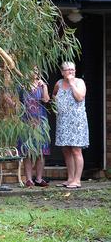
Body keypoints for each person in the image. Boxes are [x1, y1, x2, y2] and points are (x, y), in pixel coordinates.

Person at [53, 61, 89, 189]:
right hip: (63, 121)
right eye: (68, 70)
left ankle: (77, 180)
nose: (70, 72)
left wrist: (72, 83)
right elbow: (54, 96)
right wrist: (56, 107)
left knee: (76, 150)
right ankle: (70, 178)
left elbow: (80, 97)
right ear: (62, 72)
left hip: (77, 121)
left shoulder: (79, 82)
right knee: (66, 150)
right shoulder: (59, 83)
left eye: (72, 70)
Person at [19, 70, 51, 187]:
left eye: (37, 71)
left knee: (41, 152)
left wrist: (44, 87)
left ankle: (38, 178)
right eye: (33, 70)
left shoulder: (41, 85)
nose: (35, 73)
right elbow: (15, 101)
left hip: (41, 121)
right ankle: (28, 179)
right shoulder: (21, 84)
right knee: (27, 151)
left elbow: (46, 100)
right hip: (26, 121)